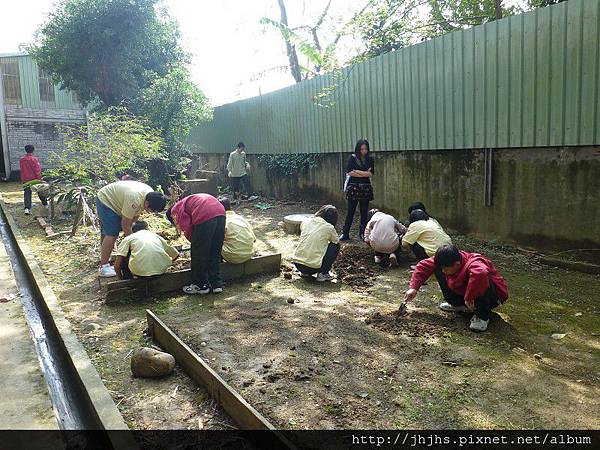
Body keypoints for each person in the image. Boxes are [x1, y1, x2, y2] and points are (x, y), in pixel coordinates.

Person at [403, 244, 509, 332]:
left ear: (457, 264)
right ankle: (459, 304)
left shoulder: (474, 262)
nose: (444, 271)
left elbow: (481, 273)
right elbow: (423, 265)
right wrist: (414, 288)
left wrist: (469, 297)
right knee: (437, 269)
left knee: (480, 277)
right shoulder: (448, 260)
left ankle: (482, 316)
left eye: (446, 269)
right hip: (467, 296)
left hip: (493, 297)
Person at [96, 181, 167, 277]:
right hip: (107, 200)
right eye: (152, 210)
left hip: (120, 199)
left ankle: (105, 256)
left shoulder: (151, 195)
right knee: (112, 233)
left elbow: (133, 219)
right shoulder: (134, 199)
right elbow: (125, 225)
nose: (151, 212)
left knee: (115, 231)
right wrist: (134, 243)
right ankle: (104, 266)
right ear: (147, 203)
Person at [166, 193, 226, 295]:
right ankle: (216, 284)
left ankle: (200, 285)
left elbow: (188, 229)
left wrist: (196, 243)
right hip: (220, 212)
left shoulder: (175, 210)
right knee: (215, 250)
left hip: (204, 213)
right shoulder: (186, 202)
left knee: (198, 253)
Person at [401, 208, 452, 296]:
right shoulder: (433, 221)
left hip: (434, 254)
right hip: (449, 250)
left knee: (412, 242)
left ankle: (424, 265)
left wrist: (406, 234)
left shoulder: (415, 224)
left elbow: (405, 243)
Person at [113, 221, 179, 280]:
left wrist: (120, 278)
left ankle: (127, 278)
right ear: (147, 229)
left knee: (124, 254)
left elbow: (117, 265)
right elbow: (176, 255)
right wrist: (162, 265)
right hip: (161, 271)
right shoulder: (156, 236)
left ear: (133, 230)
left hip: (139, 272)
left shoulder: (130, 238)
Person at [293, 205, 340, 282]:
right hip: (313, 267)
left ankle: (304, 273)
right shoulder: (329, 227)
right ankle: (323, 274)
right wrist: (336, 253)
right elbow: (336, 241)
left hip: (298, 264)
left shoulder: (306, 221)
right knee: (335, 246)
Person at [340, 139, 375, 241]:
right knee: (350, 211)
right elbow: (350, 172)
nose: (363, 151)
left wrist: (357, 171)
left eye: (365, 149)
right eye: (361, 149)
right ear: (358, 149)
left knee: (364, 211)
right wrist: (364, 172)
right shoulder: (352, 158)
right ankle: (345, 233)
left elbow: (371, 174)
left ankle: (362, 233)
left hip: (365, 188)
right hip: (353, 187)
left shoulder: (370, 159)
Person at [218, 196, 256, 264]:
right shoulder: (241, 218)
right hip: (249, 254)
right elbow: (254, 239)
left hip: (233, 257)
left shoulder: (222, 221)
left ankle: (218, 264)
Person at [20, 145, 48, 215]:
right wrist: (40, 179)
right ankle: (46, 205)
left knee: (27, 193)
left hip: (25, 179)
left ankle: (27, 208)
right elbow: (37, 170)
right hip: (34, 179)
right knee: (40, 191)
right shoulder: (34, 159)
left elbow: (22, 170)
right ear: (33, 150)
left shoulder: (22, 160)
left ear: (25, 150)